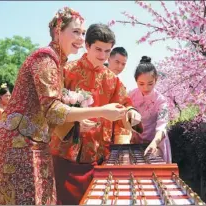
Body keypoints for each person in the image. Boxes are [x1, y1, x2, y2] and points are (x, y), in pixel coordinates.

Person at [0, 8, 127, 205]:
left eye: (82, 33)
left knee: (42, 197)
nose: (81, 38)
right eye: (76, 32)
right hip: (19, 143)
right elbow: (53, 109)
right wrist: (103, 111)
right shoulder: (44, 58)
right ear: (58, 31)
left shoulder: (57, 61)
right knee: (25, 198)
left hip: (36, 141)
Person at [50, 23, 142, 205]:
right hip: (65, 153)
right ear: (87, 45)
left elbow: (125, 104)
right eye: (98, 49)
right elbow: (51, 108)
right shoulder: (66, 70)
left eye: (107, 51)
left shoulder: (111, 78)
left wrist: (132, 113)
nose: (102, 55)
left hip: (99, 154)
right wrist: (73, 122)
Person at [129, 56, 172, 163]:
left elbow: (162, 126)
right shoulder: (131, 96)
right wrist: (132, 133)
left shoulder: (161, 100)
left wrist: (154, 143)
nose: (146, 88)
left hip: (157, 140)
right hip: (137, 140)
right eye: (141, 84)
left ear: (156, 80)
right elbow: (127, 117)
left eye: (150, 83)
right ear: (136, 81)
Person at [106, 47, 131, 144]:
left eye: (123, 64)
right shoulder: (97, 76)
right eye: (117, 62)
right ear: (108, 59)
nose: (120, 66)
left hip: (113, 129)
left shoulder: (121, 85)